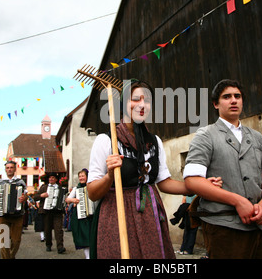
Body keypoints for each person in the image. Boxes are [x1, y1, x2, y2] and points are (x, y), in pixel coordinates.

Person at [87, 79, 221, 259]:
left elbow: (164, 183)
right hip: (117, 215)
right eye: (135, 99)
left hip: (149, 214)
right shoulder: (106, 140)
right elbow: (93, 193)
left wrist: (199, 186)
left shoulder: (154, 141)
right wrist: (109, 176)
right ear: (123, 103)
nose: (142, 105)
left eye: (147, 100)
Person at [183, 79, 262, 259]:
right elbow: (192, 180)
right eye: (226, 97)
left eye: (237, 96)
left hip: (260, 225)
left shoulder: (257, 137)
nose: (233, 100)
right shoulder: (205, 135)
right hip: (223, 226)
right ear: (216, 104)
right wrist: (237, 201)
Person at [0, 160, 27, 259]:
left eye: (11, 167)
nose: (9, 169)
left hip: (17, 215)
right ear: (5, 169)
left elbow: (26, 194)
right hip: (2, 215)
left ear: (15, 169)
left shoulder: (20, 182)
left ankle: (11, 256)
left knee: (16, 240)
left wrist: (24, 198)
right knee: (4, 241)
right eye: (7, 168)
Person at [33, 172, 66, 254]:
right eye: (50, 178)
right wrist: (41, 195)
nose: (51, 179)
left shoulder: (60, 188)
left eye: (53, 178)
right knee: (47, 229)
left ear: (56, 179)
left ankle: (60, 247)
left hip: (57, 211)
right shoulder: (44, 187)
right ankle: (48, 244)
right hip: (46, 211)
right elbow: (35, 197)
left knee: (58, 230)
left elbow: (63, 199)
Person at [66, 169, 94, 259]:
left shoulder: (92, 186)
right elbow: (67, 199)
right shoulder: (76, 189)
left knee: (92, 237)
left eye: (83, 176)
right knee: (85, 238)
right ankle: (88, 257)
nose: (81, 178)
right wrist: (73, 200)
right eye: (80, 176)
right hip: (81, 216)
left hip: (92, 216)